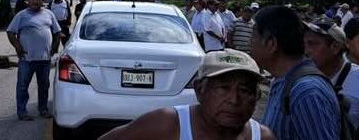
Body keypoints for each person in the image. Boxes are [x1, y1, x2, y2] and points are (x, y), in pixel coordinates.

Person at [99, 49, 275, 140]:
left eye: (244, 90)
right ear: (199, 90)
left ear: (257, 97)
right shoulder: (166, 125)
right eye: (223, 88)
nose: (234, 100)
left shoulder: (262, 137)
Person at [251, 5, 341, 140]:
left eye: (253, 37)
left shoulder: (307, 91)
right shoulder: (282, 81)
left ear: (271, 44)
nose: (250, 44)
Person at [303, 17, 359, 130]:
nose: (306, 50)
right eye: (304, 43)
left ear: (335, 47)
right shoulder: (301, 79)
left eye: (312, 44)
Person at [6, 0, 61, 121]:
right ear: (28, 0)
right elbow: (10, 32)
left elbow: (57, 31)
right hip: (27, 59)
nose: (35, 1)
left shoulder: (49, 14)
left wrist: (55, 46)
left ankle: (43, 109)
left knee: (44, 85)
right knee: (23, 86)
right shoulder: (21, 15)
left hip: (45, 59)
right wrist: (18, 47)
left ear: (43, 0)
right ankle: (22, 112)